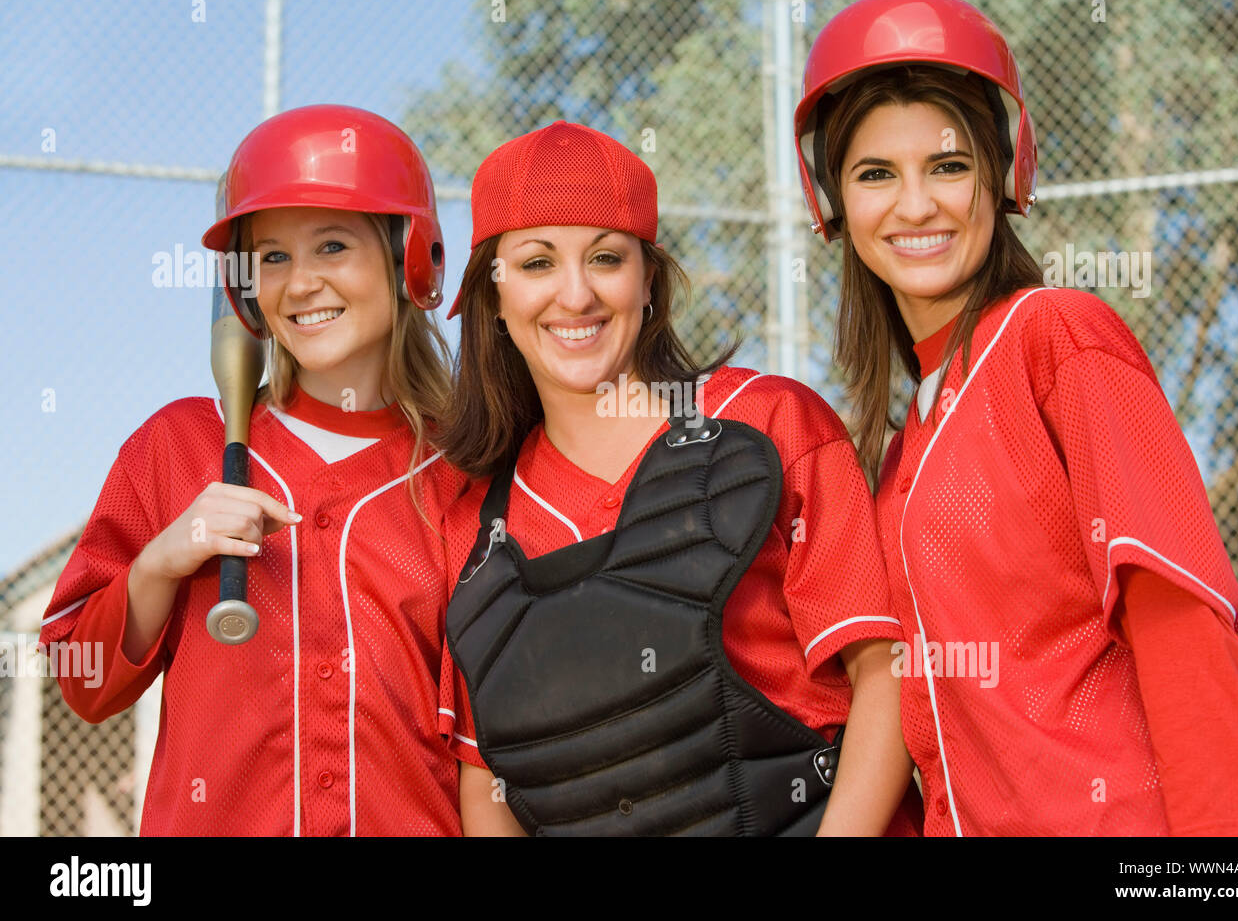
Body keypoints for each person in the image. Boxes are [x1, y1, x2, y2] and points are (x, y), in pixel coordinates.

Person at [795, 0, 1238, 835]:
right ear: (836, 205)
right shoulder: (903, 446)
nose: (916, 205)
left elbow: (1181, 625)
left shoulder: (1056, 336)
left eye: (949, 166)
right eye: (876, 173)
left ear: (1003, 174)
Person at [435, 120, 923, 836]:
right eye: (537, 264)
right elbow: (489, 782)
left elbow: (883, 671)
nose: (575, 296)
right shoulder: (480, 524)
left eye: (606, 258)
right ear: (493, 299)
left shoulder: (765, 423)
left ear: (649, 282)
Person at [39, 104, 469, 836]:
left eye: (332, 246)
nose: (299, 283)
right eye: (271, 257)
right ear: (244, 289)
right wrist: (160, 565)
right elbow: (82, 684)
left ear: (410, 260)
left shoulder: (463, 472)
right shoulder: (181, 445)